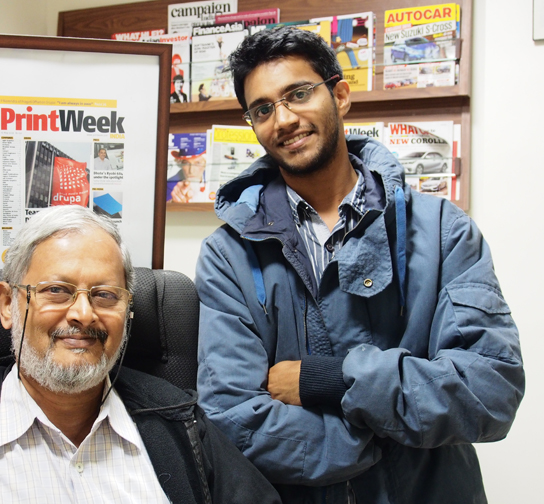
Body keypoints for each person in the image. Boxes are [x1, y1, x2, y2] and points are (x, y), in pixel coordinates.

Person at [195, 27, 525, 504]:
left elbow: (490, 391)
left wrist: (332, 380)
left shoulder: (442, 230)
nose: (283, 119)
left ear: (340, 96)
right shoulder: (228, 255)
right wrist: (381, 440)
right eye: (263, 109)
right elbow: (232, 418)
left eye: (298, 94)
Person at [0, 206, 282, 504]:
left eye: (105, 295)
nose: (84, 314)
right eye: (57, 290)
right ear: (8, 304)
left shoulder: (181, 421)